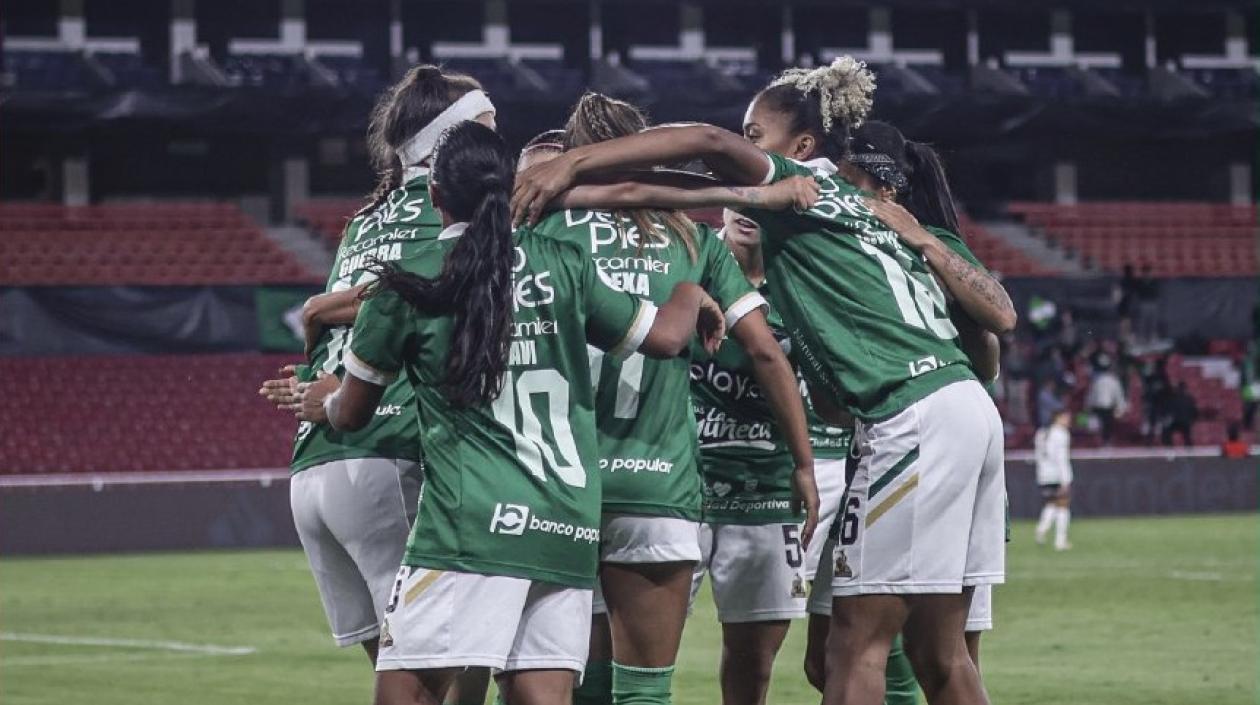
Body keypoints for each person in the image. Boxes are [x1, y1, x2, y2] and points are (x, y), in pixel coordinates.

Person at [512, 58, 1012, 705]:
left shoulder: (802, 193)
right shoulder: (870, 214)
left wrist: (575, 166)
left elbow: (706, 147)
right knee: (938, 653)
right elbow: (995, 330)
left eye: (755, 134)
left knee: (852, 644)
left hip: (904, 416)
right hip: (966, 405)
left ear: (801, 147)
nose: (742, 147)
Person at [294, 121, 728, 705]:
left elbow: (350, 414)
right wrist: (691, 294)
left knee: (405, 695)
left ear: (435, 196)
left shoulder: (409, 282)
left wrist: (322, 400)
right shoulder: (563, 263)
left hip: (469, 526)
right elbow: (669, 339)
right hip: (567, 525)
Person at [531, 93, 819, 705]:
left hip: (558, 480)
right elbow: (766, 354)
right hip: (657, 484)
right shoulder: (693, 240)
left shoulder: (540, 224)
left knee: (552, 675)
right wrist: (803, 461)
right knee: (644, 689)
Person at [256, 66, 491, 685]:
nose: (499, 145)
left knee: (398, 664)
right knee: (441, 658)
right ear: (452, 139)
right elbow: (438, 284)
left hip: (316, 465)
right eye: (488, 129)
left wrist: (320, 308)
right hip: (390, 452)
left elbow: (339, 314)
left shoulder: (366, 220)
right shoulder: (462, 209)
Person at [1034, 409, 1074, 551]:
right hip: (1057, 474)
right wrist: (1066, 479)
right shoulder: (1061, 434)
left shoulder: (1041, 433)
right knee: (1063, 506)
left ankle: (1042, 528)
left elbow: (1038, 455)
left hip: (1043, 474)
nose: (1068, 420)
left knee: (1051, 504)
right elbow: (1061, 458)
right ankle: (1060, 541)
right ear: (1057, 418)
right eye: (1065, 417)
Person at [1086, 355, 1127, 445]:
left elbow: (1117, 394)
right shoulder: (1099, 380)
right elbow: (1092, 393)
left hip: (1105, 406)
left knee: (1106, 426)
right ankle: (1102, 441)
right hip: (1102, 406)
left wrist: (1121, 406)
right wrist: (1121, 406)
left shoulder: (1104, 380)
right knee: (1102, 426)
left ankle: (1105, 441)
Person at [1163, 381, 1199, 446]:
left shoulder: (1172, 397)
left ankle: (1169, 448)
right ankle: (1189, 450)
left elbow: (1166, 410)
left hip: (1175, 422)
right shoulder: (1190, 398)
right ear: (1185, 389)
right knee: (1187, 436)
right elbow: (1195, 412)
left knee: (1166, 431)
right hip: (1185, 423)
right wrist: (1192, 421)